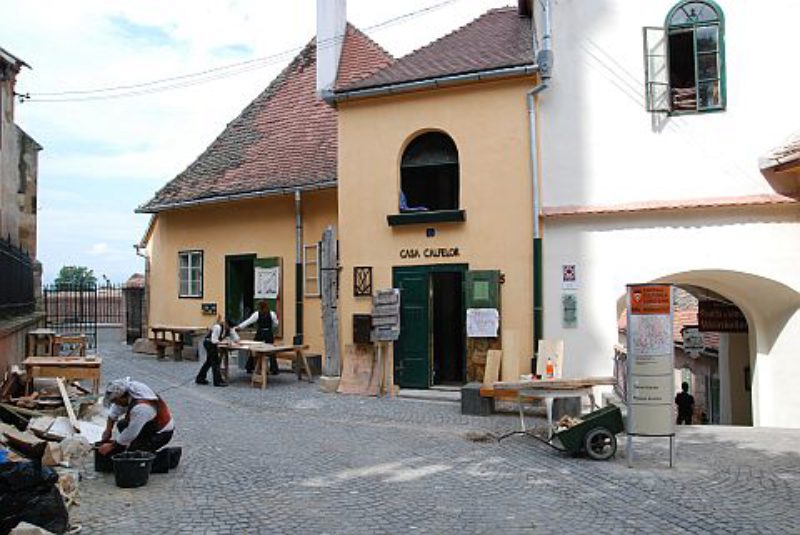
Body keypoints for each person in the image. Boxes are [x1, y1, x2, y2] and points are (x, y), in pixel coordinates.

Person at [97, 378, 174, 457]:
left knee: (133, 457)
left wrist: (111, 446)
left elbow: (131, 432)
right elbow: (114, 413)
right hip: (148, 424)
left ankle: (168, 455)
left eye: (117, 402)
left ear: (122, 397)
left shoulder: (142, 408)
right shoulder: (127, 391)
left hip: (161, 432)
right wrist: (108, 430)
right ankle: (138, 443)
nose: (117, 404)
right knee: (122, 424)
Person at [236, 301, 280, 375]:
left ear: (260, 306)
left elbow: (248, 322)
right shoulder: (272, 313)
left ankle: (249, 367)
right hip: (269, 333)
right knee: (271, 351)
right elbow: (276, 324)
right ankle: (274, 369)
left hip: (260, 333)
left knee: (253, 349)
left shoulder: (257, 314)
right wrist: (270, 327)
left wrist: (239, 327)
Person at [196, 315, 236, 387]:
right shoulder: (217, 327)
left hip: (213, 344)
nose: (229, 328)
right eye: (229, 326)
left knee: (209, 362)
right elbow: (214, 340)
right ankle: (217, 381)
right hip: (209, 343)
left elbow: (235, 336)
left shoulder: (228, 328)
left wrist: (236, 341)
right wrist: (224, 343)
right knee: (215, 362)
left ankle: (200, 378)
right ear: (226, 323)